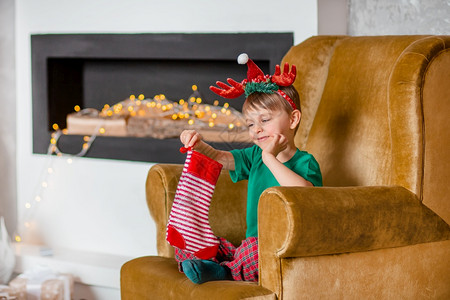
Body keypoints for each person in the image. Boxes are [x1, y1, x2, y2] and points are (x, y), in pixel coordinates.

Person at [175, 53, 322, 284]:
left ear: (293, 120)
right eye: (251, 124)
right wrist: (199, 144)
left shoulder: (305, 162)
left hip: (280, 252)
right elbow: (220, 159)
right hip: (248, 246)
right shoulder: (254, 155)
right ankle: (212, 265)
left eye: (265, 120)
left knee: (252, 251)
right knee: (195, 238)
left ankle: (222, 272)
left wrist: (269, 158)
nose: (257, 130)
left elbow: (306, 195)